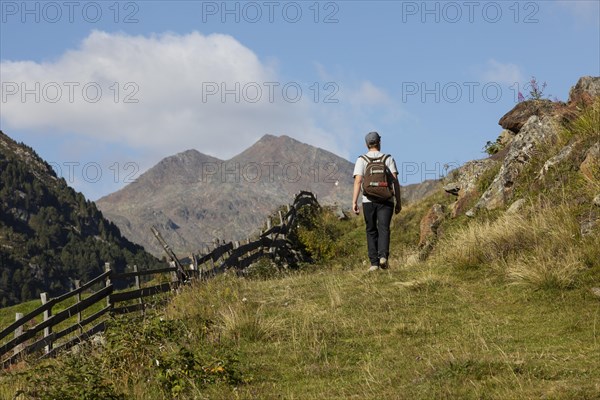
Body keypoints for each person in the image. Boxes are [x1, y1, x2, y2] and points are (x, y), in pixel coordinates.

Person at [352, 131, 401, 271]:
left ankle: (374, 264)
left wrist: (354, 202)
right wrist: (399, 201)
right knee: (384, 228)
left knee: (371, 230)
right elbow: (395, 182)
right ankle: (383, 256)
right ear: (379, 142)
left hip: (368, 200)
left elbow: (358, 181)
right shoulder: (388, 158)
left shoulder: (361, 160)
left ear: (366, 144)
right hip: (387, 200)